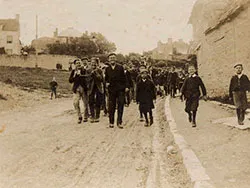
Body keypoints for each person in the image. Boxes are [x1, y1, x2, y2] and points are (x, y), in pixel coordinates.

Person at [105, 53, 130, 129]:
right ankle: (111, 122)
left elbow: (124, 78)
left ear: (116, 59)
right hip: (111, 90)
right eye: (110, 58)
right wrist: (106, 83)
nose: (112, 59)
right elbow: (106, 78)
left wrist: (126, 86)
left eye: (113, 58)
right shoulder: (107, 69)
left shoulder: (120, 67)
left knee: (120, 105)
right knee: (111, 106)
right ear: (108, 60)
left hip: (120, 89)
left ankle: (119, 122)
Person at [69, 58, 89, 124]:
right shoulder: (73, 71)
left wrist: (82, 75)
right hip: (76, 89)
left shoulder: (84, 70)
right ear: (75, 65)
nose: (78, 64)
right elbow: (70, 80)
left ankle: (85, 116)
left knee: (85, 103)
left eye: (79, 63)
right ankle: (79, 116)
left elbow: (87, 77)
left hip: (84, 88)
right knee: (75, 102)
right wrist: (75, 75)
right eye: (77, 63)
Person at [88, 58, 104, 123]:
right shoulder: (88, 70)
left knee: (98, 102)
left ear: (97, 63)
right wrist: (91, 75)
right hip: (91, 88)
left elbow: (102, 79)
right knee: (91, 101)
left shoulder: (100, 70)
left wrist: (96, 73)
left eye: (94, 62)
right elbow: (87, 79)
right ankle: (92, 116)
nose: (93, 64)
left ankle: (97, 116)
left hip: (98, 87)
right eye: (92, 62)